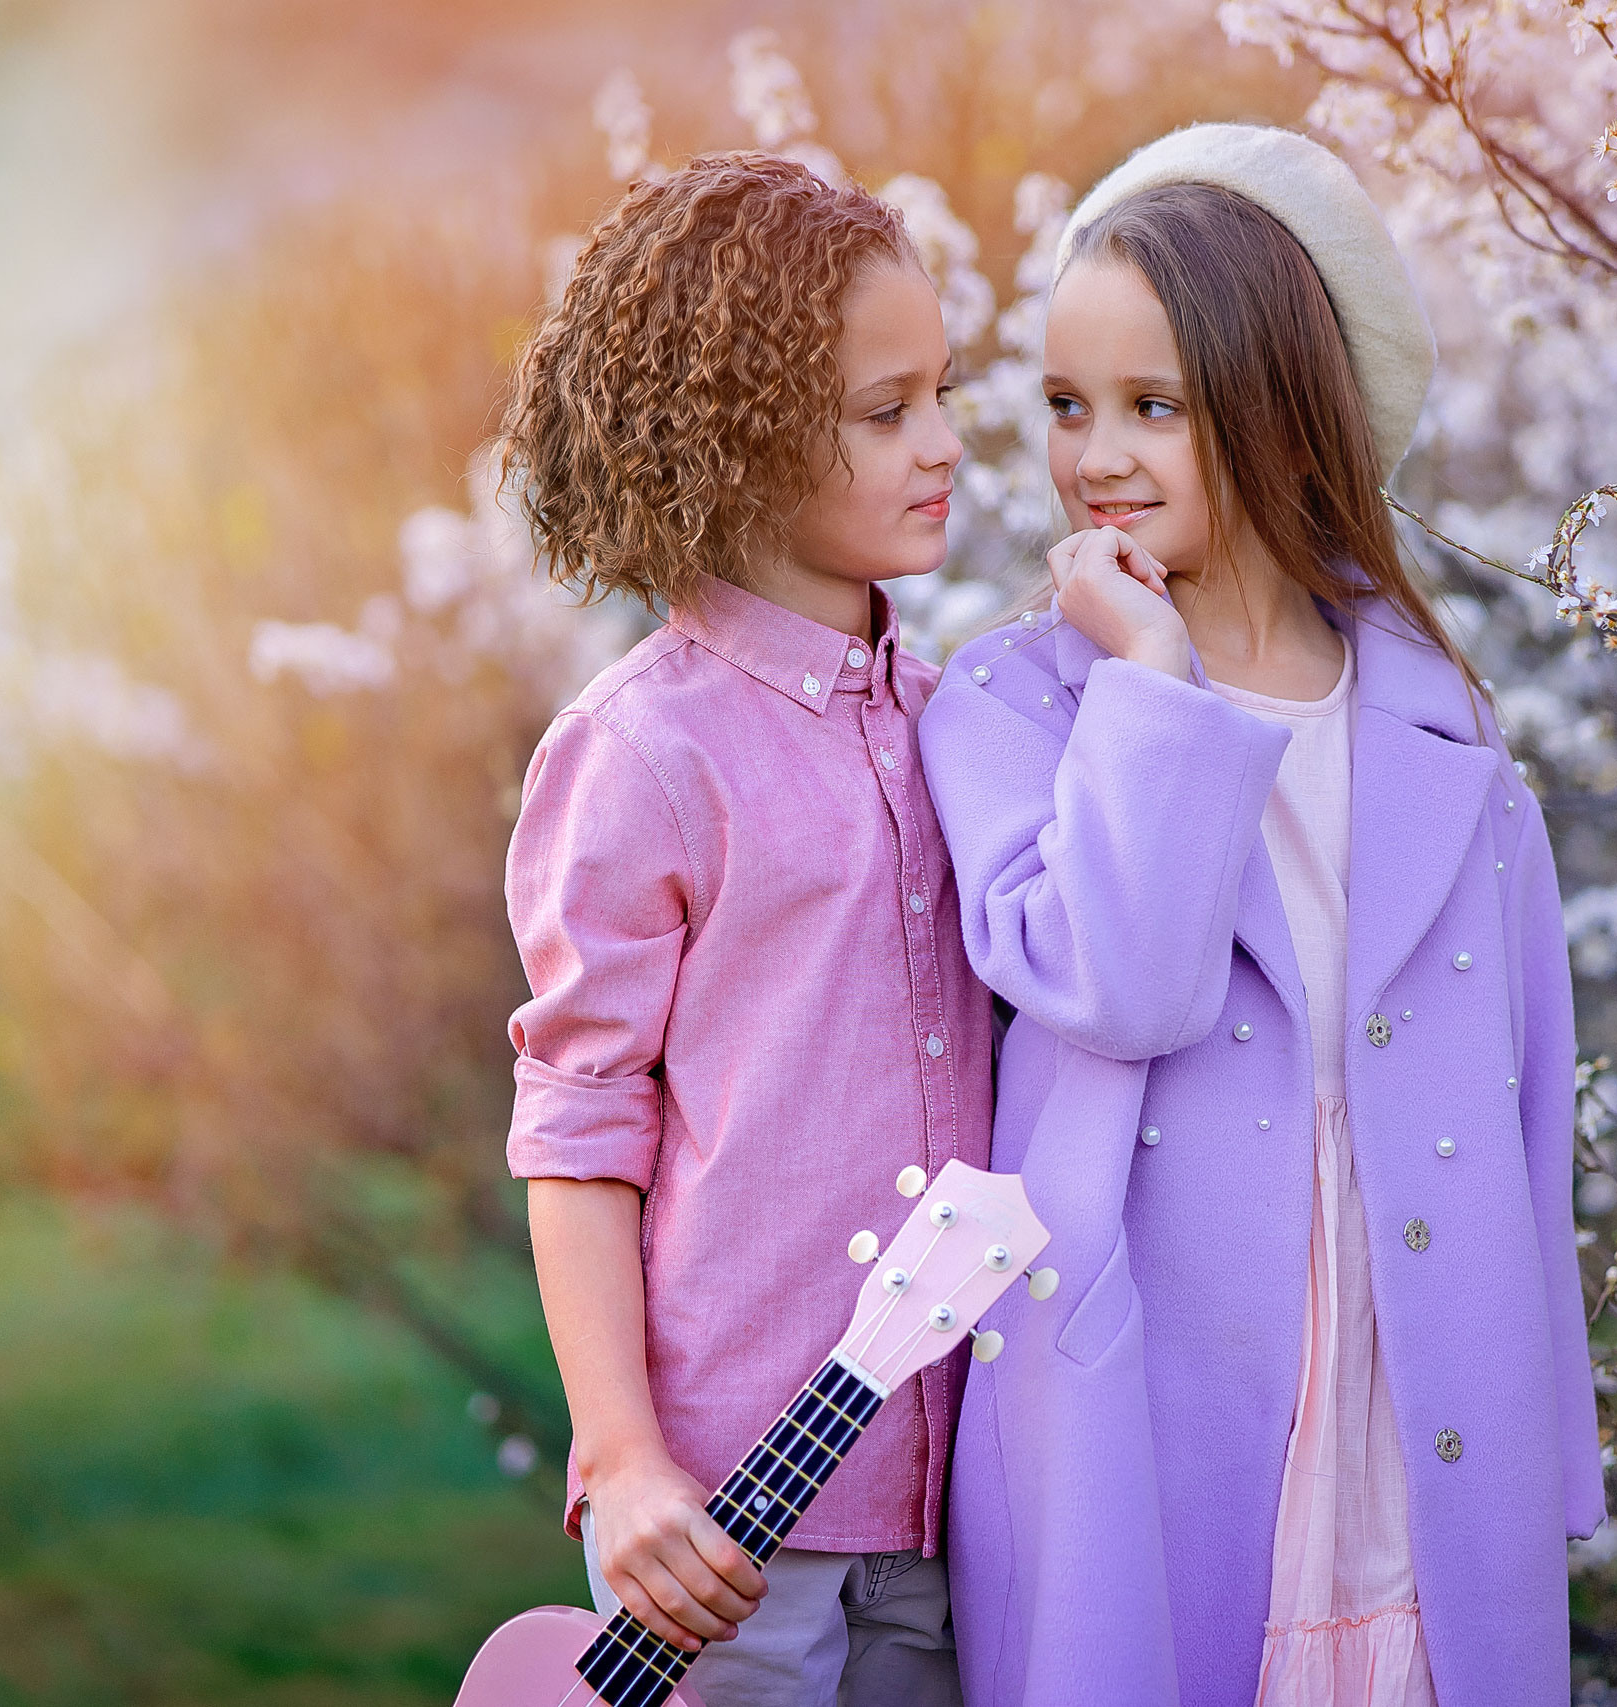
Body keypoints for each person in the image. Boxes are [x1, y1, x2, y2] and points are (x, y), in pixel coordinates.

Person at [917, 125, 1604, 1707]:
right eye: (1068, 407)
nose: (1098, 455)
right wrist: (1151, 687)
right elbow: (1127, 984)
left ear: (1287, 420)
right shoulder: (1016, 709)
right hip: (1151, 1404)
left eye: (1156, 406)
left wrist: (1543, 1442)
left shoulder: (1444, 732)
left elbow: (1531, 1102)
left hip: (1419, 1374)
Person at [498, 151, 990, 1707]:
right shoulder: (645, 751)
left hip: (961, 1489)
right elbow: (580, 1130)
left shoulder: (964, 723)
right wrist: (623, 1457)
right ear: (750, 435)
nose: (947, 446)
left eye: (946, 393)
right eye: (888, 409)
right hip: (725, 1522)